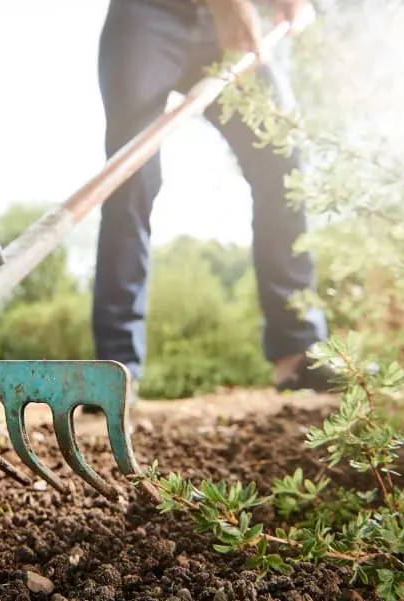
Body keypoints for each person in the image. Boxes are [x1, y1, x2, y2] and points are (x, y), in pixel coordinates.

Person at [89, 0, 338, 408]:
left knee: (282, 159)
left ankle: (298, 350)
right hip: (146, 16)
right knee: (130, 180)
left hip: (220, 25)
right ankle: (116, 369)